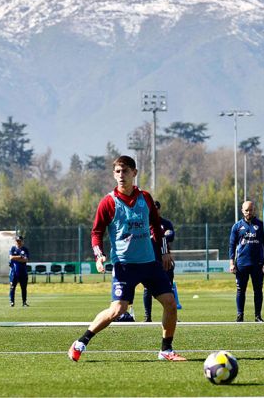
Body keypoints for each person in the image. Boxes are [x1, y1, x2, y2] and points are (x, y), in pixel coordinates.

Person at [68, 155, 185, 362]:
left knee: (170, 303)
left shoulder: (145, 198)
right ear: (114, 174)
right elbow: (96, 232)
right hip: (124, 265)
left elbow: (156, 227)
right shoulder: (108, 202)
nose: (121, 175)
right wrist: (99, 255)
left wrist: (164, 252)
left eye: (126, 171)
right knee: (117, 310)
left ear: (134, 173)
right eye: (118, 172)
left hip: (149, 263)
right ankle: (80, 342)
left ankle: (166, 350)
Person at [229, 200, 264, 322]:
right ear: (242, 211)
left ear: (254, 210)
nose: (248, 212)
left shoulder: (261, 225)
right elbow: (232, 245)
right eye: (246, 210)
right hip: (241, 264)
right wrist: (231, 263)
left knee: (258, 290)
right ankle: (240, 315)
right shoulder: (237, 226)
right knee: (240, 290)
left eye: (250, 210)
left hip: (257, 264)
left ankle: (258, 316)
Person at [143, 200, 176, 323]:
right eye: (152, 209)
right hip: (149, 260)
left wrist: (163, 236)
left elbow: (171, 236)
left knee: (169, 288)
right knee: (147, 289)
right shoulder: (143, 223)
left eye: (156, 209)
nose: (154, 211)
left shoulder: (165, 223)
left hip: (164, 261)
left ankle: (171, 315)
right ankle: (147, 317)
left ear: (159, 209)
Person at [8, 235, 29, 307]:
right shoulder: (13, 248)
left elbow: (26, 259)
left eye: (19, 241)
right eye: (17, 241)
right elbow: (11, 258)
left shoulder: (25, 249)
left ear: (22, 241)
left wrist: (16, 258)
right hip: (14, 272)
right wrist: (20, 257)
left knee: (23, 288)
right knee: (12, 287)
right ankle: (12, 302)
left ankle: (24, 302)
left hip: (23, 272)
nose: (18, 242)